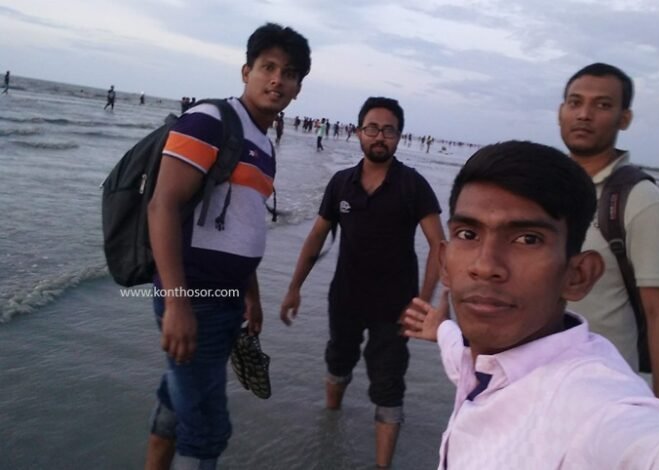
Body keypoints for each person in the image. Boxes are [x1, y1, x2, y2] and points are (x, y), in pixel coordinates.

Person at [402, 140, 659, 469]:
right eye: (468, 233)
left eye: (528, 239)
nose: (486, 266)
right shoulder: (483, 361)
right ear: (445, 264)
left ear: (578, 275)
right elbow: (461, 356)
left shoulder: (591, 409)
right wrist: (441, 329)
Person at [145, 23, 311, 470]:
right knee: (206, 433)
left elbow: (240, 224)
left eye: (289, 73)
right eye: (268, 67)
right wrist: (177, 303)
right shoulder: (210, 120)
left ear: (298, 88)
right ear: (246, 72)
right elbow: (162, 205)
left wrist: (250, 295)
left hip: (226, 300)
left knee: (178, 403)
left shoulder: (263, 145)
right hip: (194, 297)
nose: (277, 80)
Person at [280, 97, 445, 468]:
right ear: (358, 132)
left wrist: (422, 302)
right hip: (346, 299)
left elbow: (439, 245)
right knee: (338, 361)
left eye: (389, 130)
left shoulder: (412, 185)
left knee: (388, 383)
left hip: (396, 307)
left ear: (399, 136)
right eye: (372, 128)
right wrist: (293, 288)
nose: (380, 136)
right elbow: (316, 237)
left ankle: (382, 465)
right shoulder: (341, 183)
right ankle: (330, 425)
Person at [558, 63, 659, 409]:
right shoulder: (543, 188)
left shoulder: (641, 201)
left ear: (624, 119)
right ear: (561, 111)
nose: (584, 114)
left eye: (602, 105)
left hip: (603, 400)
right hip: (532, 388)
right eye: (575, 102)